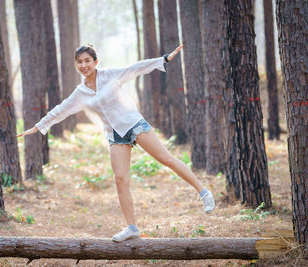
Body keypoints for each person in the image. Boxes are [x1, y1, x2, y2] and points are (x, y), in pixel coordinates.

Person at [17, 44, 215, 242]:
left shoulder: (109, 75)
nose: (84, 65)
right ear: (76, 65)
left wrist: (162, 59)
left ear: (95, 62)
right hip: (115, 134)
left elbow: (134, 68)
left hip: (133, 123)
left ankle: (204, 192)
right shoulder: (80, 93)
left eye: (87, 60)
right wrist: (37, 127)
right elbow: (60, 110)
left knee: (166, 159)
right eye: (80, 62)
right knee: (120, 179)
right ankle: (131, 227)